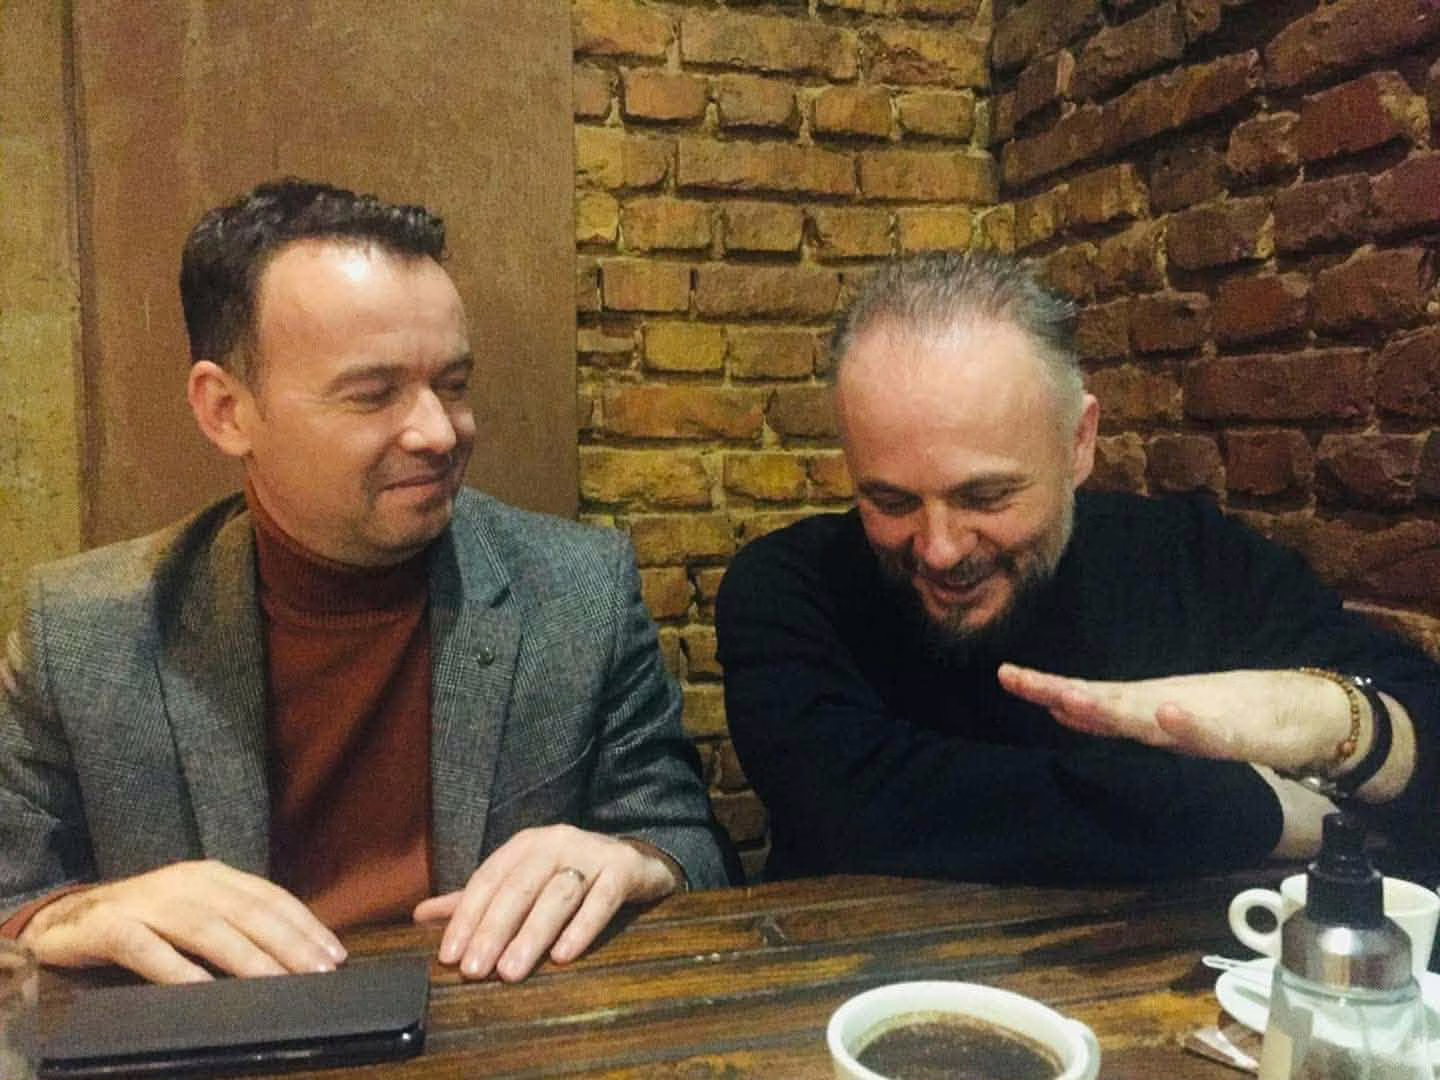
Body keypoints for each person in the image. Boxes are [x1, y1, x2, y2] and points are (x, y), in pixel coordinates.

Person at [0, 178, 735, 985]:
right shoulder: (85, 633)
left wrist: (635, 860)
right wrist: (70, 915)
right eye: (373, 395)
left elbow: (691, 845)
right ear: (226, 411)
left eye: (453, 385)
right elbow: (13, 886)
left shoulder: (576, 591)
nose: (438, 432)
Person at [716, 252, 1440, 885]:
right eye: (890, 500)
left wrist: (1325, 722)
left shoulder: (1190, 561)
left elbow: (1421, 734)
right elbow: (849, 809)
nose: (939, 549)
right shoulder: (789, 586)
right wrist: (1252, 809)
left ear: (1079, 442)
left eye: (986, 496)